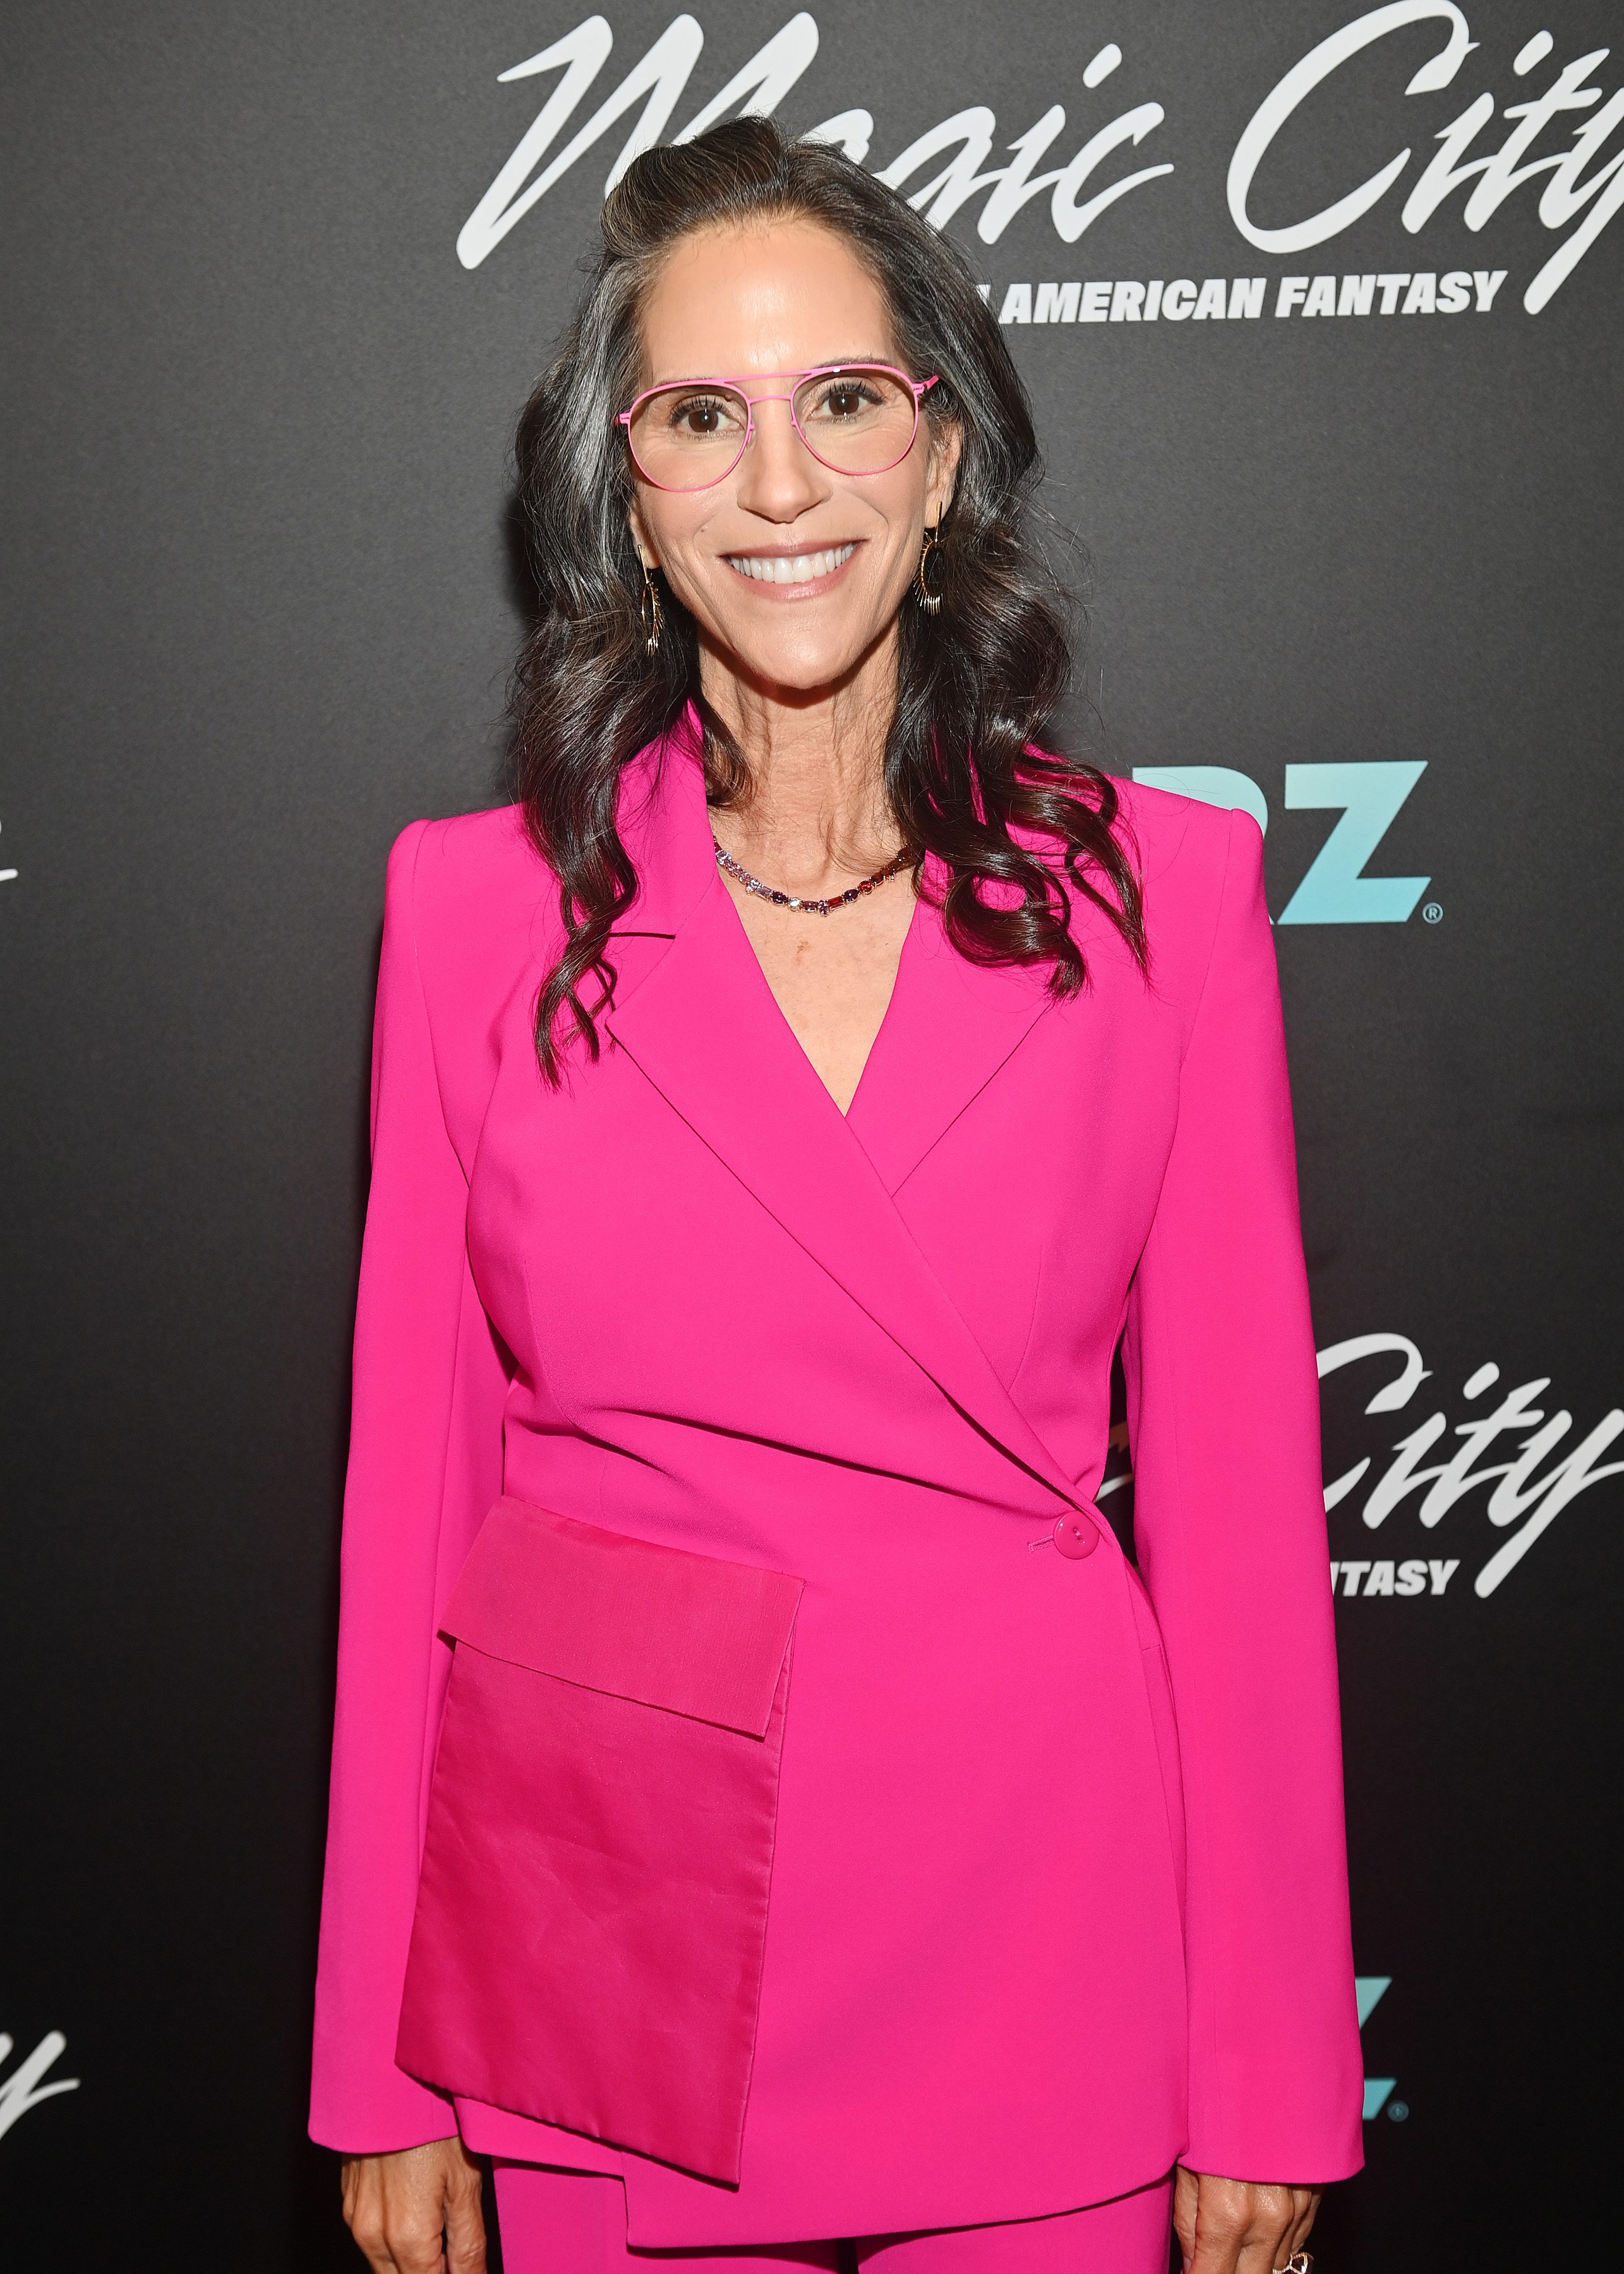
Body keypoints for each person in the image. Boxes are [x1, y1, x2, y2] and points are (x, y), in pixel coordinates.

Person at [310, 118, 1362, 2274]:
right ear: (627, 484)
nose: (780, 489)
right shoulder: (471, 907)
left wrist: (1264, 2060)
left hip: (1034, 1910)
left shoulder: (1165, 890)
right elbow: (415, 1498)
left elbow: (1246, 1515)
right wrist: (385, 2063)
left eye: (842, 405)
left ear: (943, 449)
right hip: (607, 1925)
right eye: (701, 417)